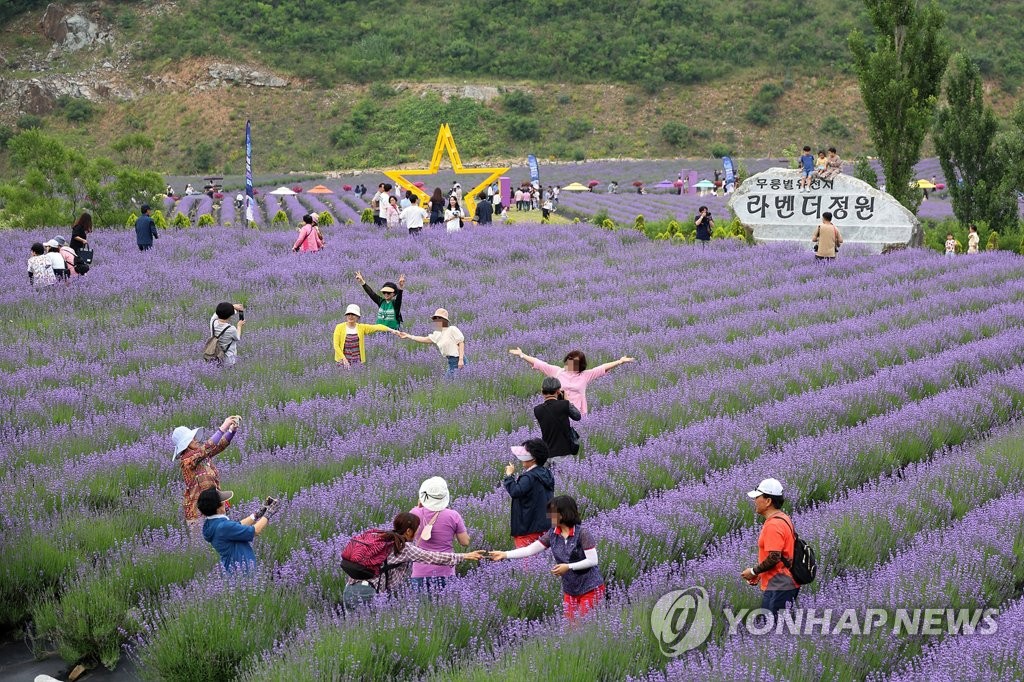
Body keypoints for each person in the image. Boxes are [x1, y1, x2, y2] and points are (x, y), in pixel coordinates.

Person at [489, 495, 604, 621]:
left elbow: (593, 560)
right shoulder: (553, 534)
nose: (549, 516)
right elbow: (530, 550)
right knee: (570, 629)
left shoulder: (582, 533)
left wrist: (568, 567)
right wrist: (505, 554)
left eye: (553, 513)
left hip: (591, 588)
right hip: (570, 590)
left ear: (564, 514)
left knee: (583, 626)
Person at [342, 512, 483, 608]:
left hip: (349, 589)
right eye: (416, 530)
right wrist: (464, 556)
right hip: (368, 593)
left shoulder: (381, 537)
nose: (417, 533)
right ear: (409, 531)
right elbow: (433, 557)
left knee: (352, 631)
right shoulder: (403, 547)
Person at [508, 348, 635, 416]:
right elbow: (539, 364)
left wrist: (620, 361)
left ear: (580, 364)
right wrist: (522, 355)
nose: (571, 363)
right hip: (558, 411)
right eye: (570, 359)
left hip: (577, 412)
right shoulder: (557, 372)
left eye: (575, 361)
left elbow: (602, 368)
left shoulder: (585, 375)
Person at [740, 478, 799, 616]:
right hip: (783, 583)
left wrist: (753, 571)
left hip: (778, 586)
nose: (754, 501)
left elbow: (774, 557)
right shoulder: (783, 518)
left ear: (768, 501)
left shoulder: (774, 525)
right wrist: (761, 573)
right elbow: (782, 554)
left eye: (757, 497)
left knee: (771, 629)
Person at [171, 415, 241, 528]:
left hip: (214, 506)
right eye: (191, 439)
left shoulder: (201, 456)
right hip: (198, 513)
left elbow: (218, 446)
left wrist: (231, 431)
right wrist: (223, 427)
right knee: (201, 543)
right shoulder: (187, 461)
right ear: (185, 444)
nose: (195, 440)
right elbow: (205, 449)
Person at [198, 487, 282, 572]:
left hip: (231, 568)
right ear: (217, 507)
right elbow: (255, 531)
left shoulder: (211, 523)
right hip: (241, 571)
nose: (225, 502)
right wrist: (269, 513)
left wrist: (257, 514)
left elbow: (237, 526)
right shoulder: (223, 527)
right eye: (223, 501)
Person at [409, 477, 470, 592]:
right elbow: (465, 542)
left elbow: (408, 539)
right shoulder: (453, 515)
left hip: (420, 572)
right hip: (445, 571)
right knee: (446, 606)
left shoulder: (414, 513)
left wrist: (419, 506)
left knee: (422, 609)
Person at [499, 440, 555, 547]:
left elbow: (515, 492)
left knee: (525, 561)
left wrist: (509, 476)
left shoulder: (529, 477)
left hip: (528, 528)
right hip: (546, 526)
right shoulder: (547, 473)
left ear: (533, 459)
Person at [398, 308, 466, 374]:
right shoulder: (437, 333)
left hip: (458, 360)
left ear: (443, 320)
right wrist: (409, 336)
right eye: (434, 319)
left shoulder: (452, 329)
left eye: (437, 318)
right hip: (451, 361)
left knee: (449, 381)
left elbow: (461, 343)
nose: (435, 321)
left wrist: (461, 360)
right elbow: (424, 339)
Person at [534, 377, 582, 458]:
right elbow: (577, 416)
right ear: (558, 391)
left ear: (542, 391)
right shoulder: (564, 405)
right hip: (564, 454)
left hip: (547, 455)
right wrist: (567, 401)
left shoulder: (537, 410)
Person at [210, 302, 245, 367]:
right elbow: (237, 337)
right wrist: (239, 326)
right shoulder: (231, 329)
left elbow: (216, 314)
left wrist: (233, 306)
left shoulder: (213, 322)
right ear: (230, 316)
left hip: (215, 357)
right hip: (228, 360)